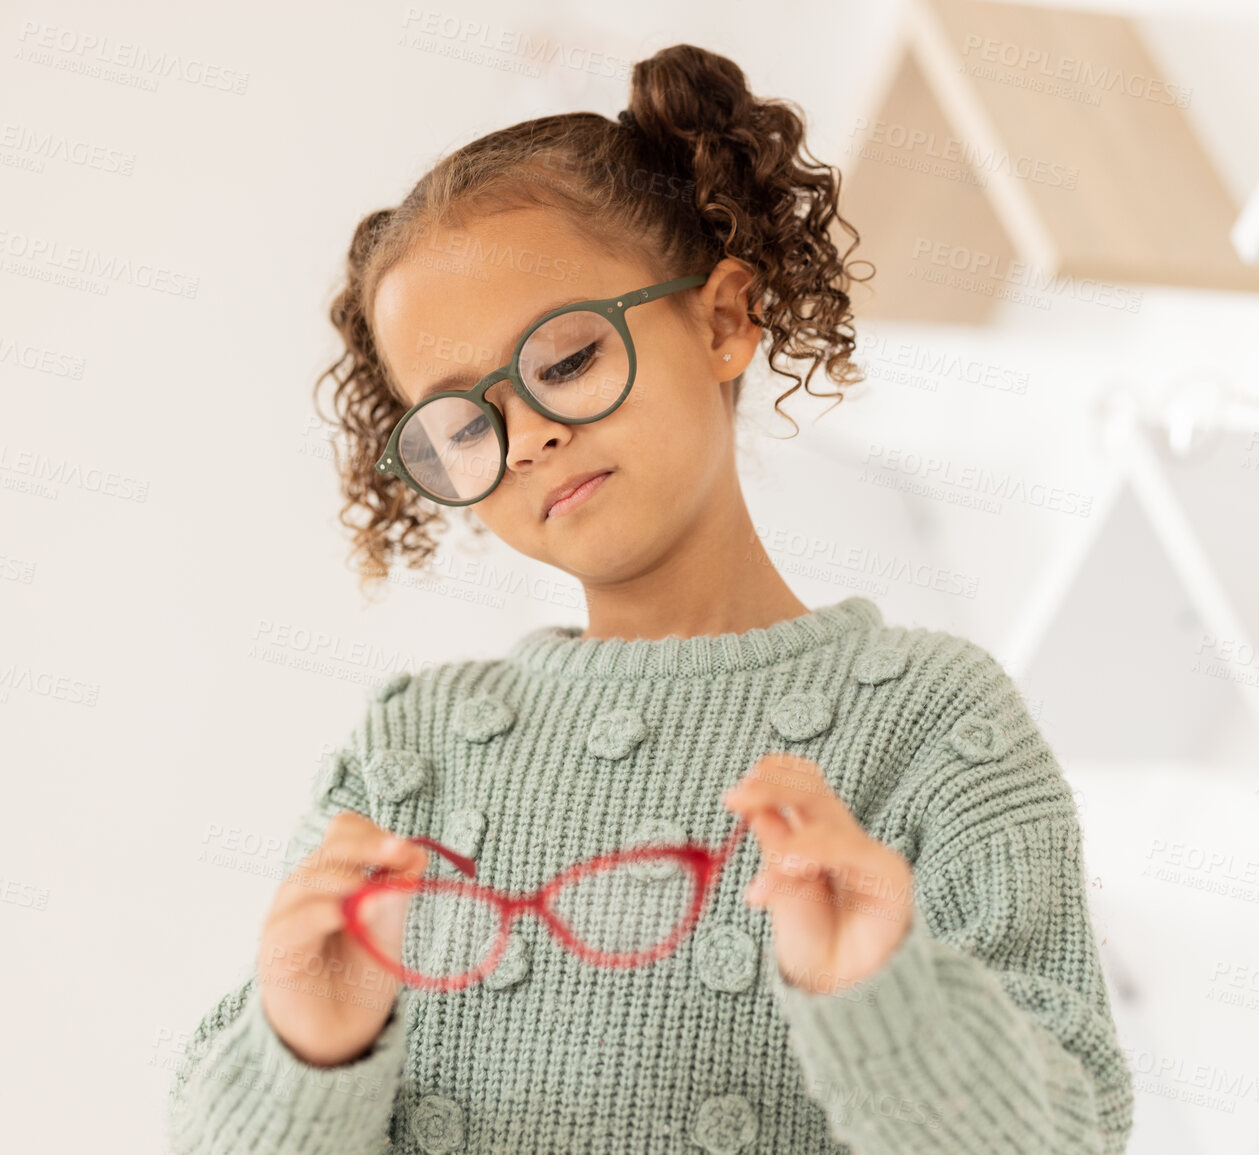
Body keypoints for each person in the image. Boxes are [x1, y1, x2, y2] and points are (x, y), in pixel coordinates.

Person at [165, 42, 1133, 1155]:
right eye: (464, 425)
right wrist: (307, 1054)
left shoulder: (932, 722)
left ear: (723, 321)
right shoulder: (411, 746)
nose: (526, 435)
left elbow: (1072, 1135)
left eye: (567, 359)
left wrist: (885, 1000)